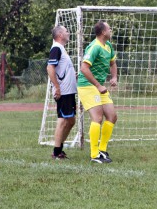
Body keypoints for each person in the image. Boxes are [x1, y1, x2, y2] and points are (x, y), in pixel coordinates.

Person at [77, 21, 118, 164]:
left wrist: (114, 77)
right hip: (87, 85)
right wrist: (98, 85)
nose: (111, 30)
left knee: (112, 116)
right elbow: (84, 68)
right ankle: (94, 154)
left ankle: (102, 150)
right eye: (109, 28)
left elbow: (113, 63)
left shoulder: (109, 47)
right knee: (97, 118)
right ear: (102, 32)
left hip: (99, 86)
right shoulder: (94, 47)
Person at [47, 25, 77, 159]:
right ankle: (56, 151)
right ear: (60, 35)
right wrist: (57, 87)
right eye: (66, 31)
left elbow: (61, 70)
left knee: (71, 121)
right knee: (63, 120)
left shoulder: (62, 49)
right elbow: (50, 68)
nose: (68, 33)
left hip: (69, 91)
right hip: (63, 92)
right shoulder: (56, 48)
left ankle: (60, 147)